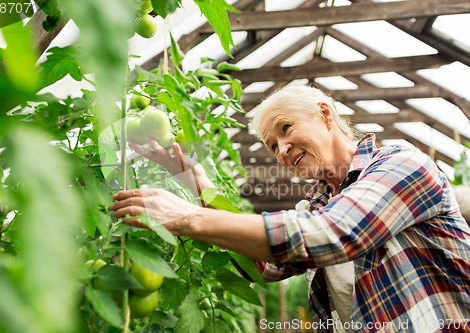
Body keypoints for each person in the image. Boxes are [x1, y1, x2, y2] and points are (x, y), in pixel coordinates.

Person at [110, 85, 470, 333]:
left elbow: (335, 234)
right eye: (272, 146)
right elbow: (263, 266)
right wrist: (198, 183)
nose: (281, 150)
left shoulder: (403, 164)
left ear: (326, 115)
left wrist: (189, 217)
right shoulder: (316, 206)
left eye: (286, 129)